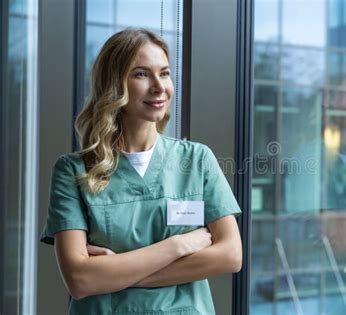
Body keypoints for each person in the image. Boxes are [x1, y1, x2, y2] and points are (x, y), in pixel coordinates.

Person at [40, 28, 242, 314]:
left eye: (165, 73)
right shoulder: (72, 171)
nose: (159, 86)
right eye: (141, 74)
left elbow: (230, 256)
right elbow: (80, 279)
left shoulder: (197, 160)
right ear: (113, 84)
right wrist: (179, 245)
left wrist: (119, 275)